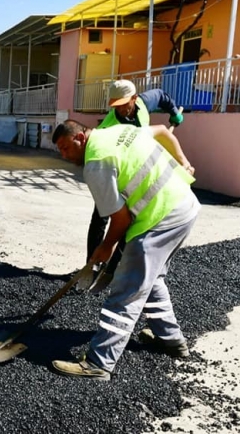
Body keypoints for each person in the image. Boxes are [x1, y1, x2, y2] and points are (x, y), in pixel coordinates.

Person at [50, 120, 199, 381]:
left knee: (126, 290)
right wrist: (183, 161)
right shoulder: (120, 132)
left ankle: (99, 362)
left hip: (159, 218)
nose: (63, 155)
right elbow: (163, 131)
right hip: (185, 205)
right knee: (152, 279)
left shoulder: (96, 164)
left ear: (80, 139)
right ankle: (172, 340)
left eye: (65, 147)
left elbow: (121, 219)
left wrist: (106, 247)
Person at [80, 79, 184, 292]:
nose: (119, 108)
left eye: (123, 104)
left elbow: (162, 96)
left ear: (135, 99)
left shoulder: (144, 103)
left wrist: (174, 113)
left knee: (130, 221)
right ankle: (93, 263)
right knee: (101, 216)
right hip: (112, 174)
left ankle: (115, 268)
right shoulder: (108, 126)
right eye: (115, 105)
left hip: (136, 177)